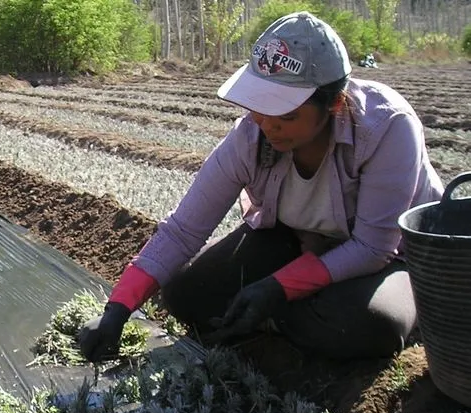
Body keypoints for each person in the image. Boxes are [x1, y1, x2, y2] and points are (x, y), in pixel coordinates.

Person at [80, 12, 443, 362]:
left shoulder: (387, 128)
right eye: (259, 106)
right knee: (184, 296)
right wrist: (117, 309)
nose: (269, 125)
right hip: (300, 241)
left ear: (332, 103)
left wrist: (277, 287)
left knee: (370, 323)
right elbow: (182, 230)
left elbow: (372, 247)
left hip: (394, 257)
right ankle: (290, 311)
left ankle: (290, 311)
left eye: (286, 114)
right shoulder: (250, 137)